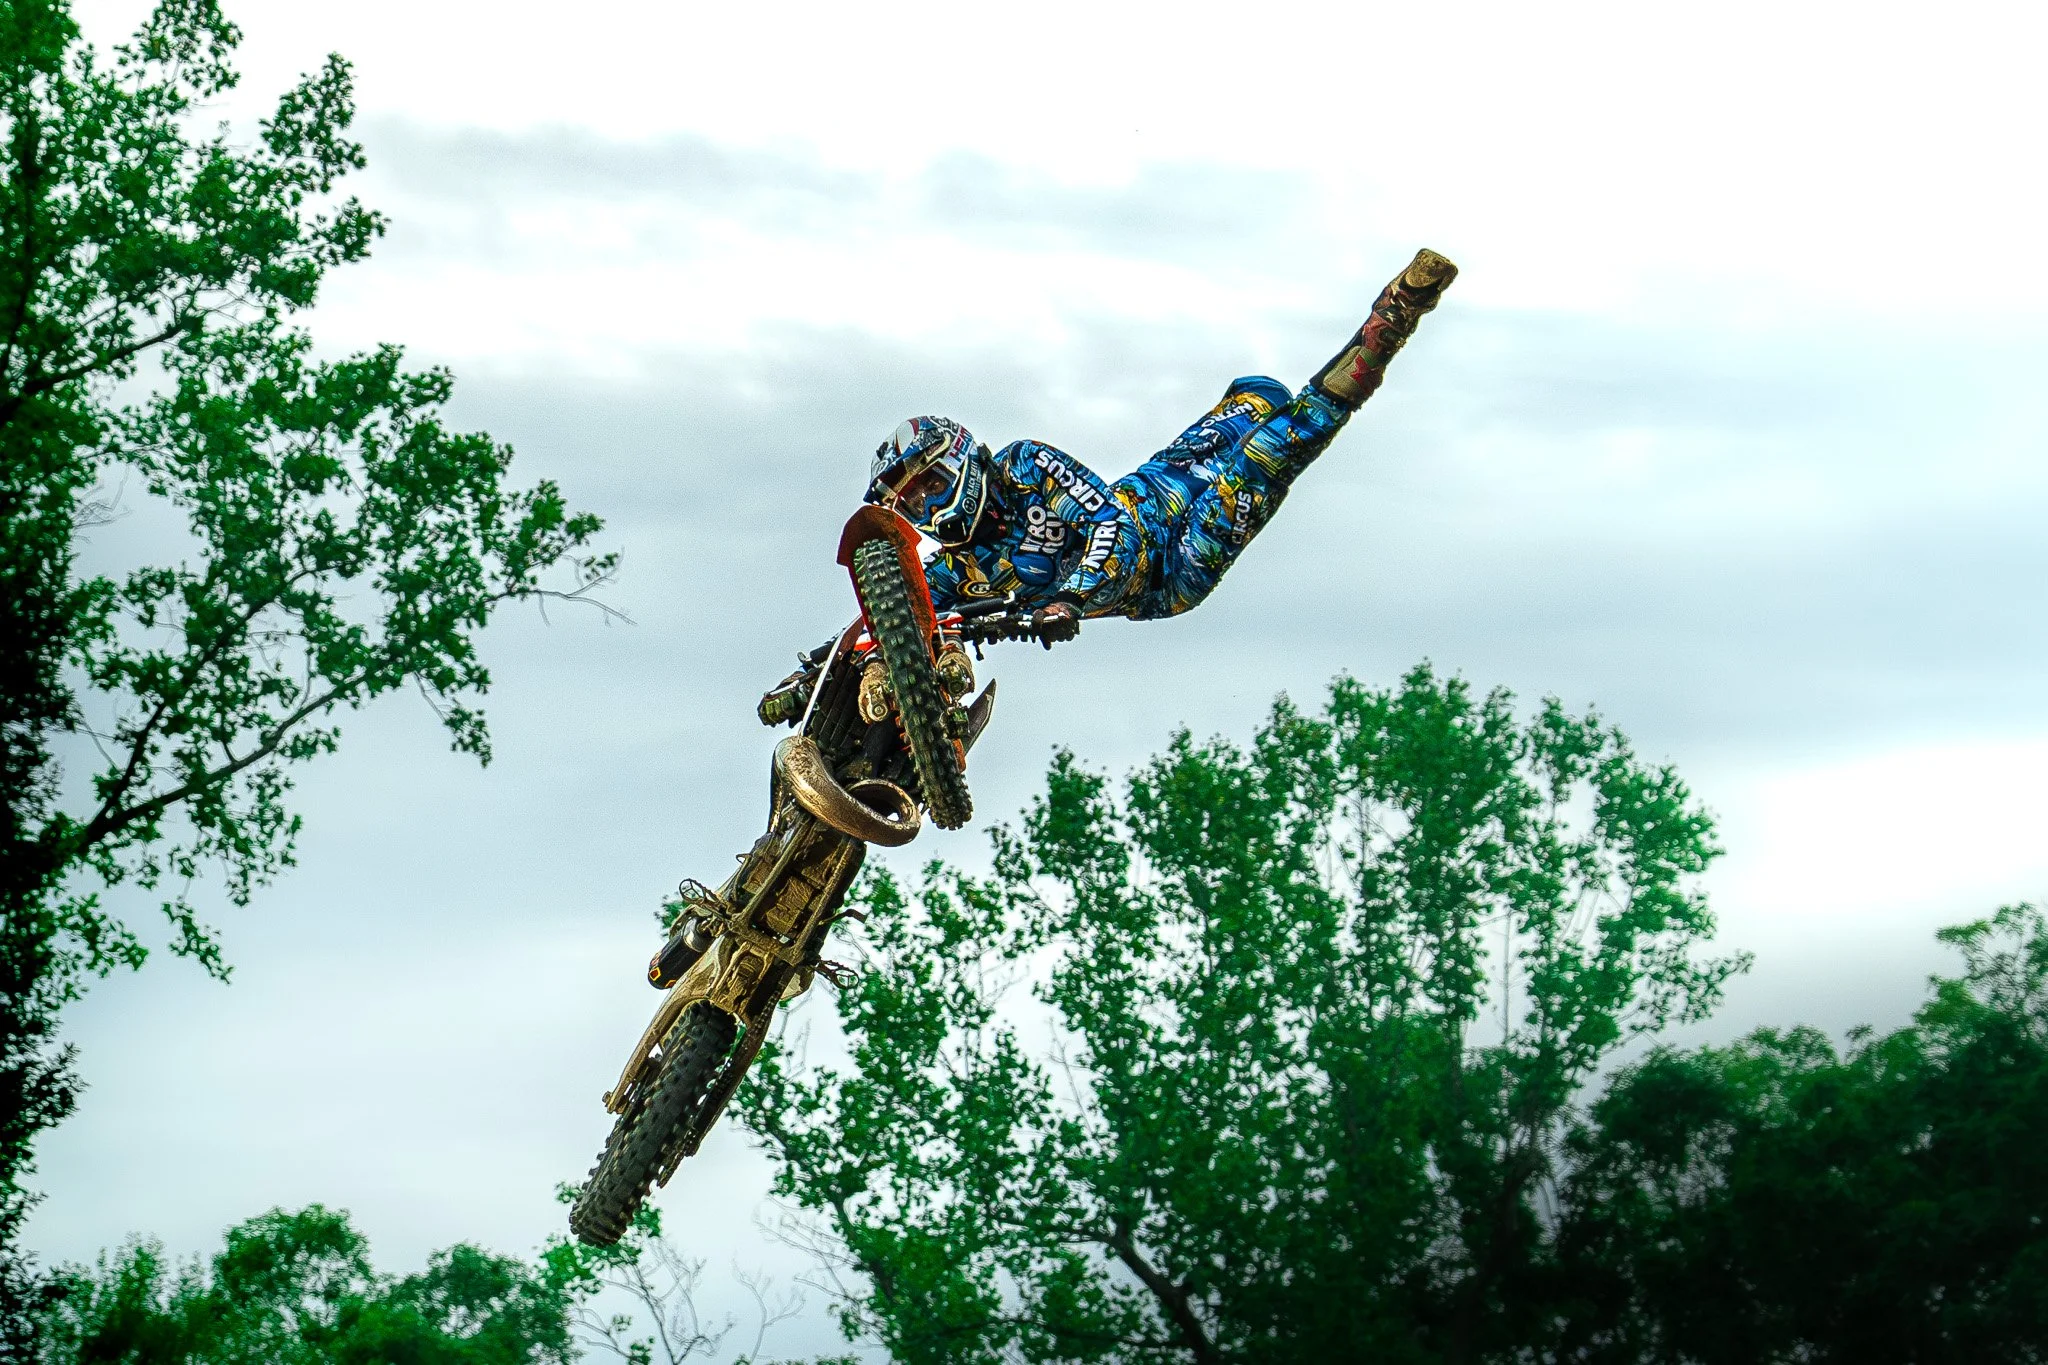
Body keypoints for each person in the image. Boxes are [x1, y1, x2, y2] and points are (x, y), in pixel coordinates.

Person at [865, 248, 1457, 641]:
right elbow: (888, 617)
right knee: (1266, 455)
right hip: (1174, 569)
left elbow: (1111, 528)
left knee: (1256, 401)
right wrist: (814, 668)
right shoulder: (956, 571)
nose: (925, 506)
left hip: (1153, 495)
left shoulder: (1023, 465)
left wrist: (1069, 600)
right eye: (912, 502)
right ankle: (1396, 314)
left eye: (930, 484)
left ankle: (1358, 346)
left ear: (962, 460)